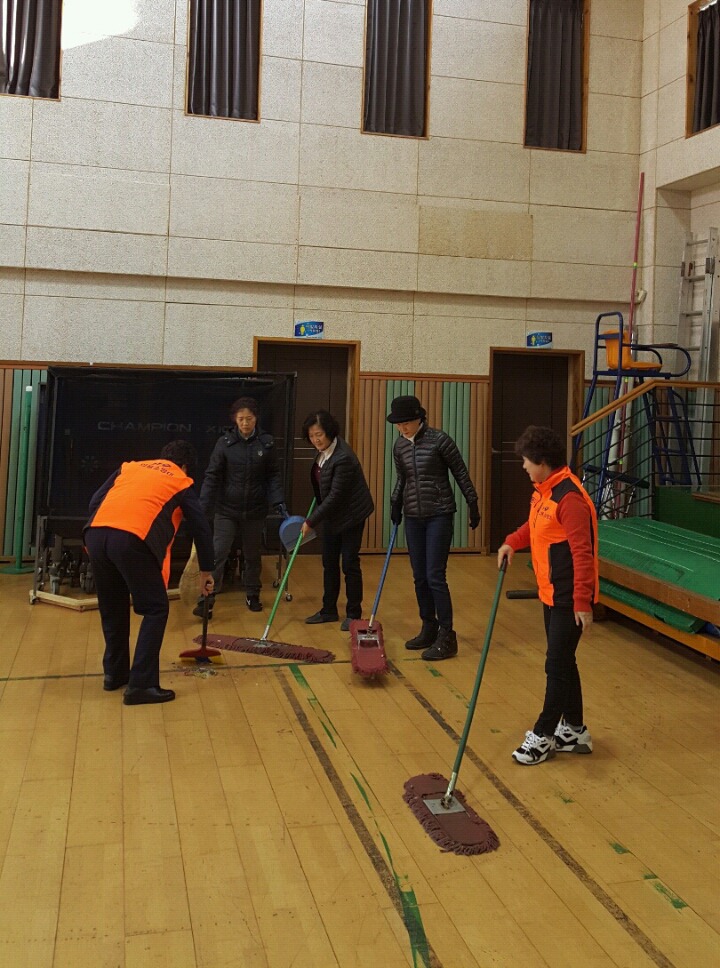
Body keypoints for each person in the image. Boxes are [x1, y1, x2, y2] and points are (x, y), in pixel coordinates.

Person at [84, 440, 215, 706]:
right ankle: (141, 686)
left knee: (113, 607)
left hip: (95, 534)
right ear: (185, 466)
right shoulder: (180, 480)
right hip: (132, 539)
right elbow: (200, 527)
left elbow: (94, 501)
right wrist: (206, 570)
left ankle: (114, 675)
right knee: (156, 609)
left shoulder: (130, 467)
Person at [497, 425, 598, 765]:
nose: (523, 466)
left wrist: (583, 602)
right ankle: (575, 730)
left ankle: (543, 735)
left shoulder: (569, 499)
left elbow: (583, 553)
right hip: (551, 592)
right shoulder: (544, 491)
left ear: (542, 462)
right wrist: (512, 542)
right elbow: (535, 527)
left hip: (569, 597)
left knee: (555, 664)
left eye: (527, 460)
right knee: (563, 660)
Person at [388, 395, 480, 661]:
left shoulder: (440, 440)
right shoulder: (399, 446)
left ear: (419, 418)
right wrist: (395, 503)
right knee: (419, 576)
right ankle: (429, 627)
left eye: (406, 423)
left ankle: (447, 635)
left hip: (439, 513)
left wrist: (472, 502)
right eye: (398, 424)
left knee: (434, 575)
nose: (402, 428)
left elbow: (460, 472)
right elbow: (402, 478)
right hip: (413, 517)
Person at [195, 396, 285, 619]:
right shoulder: (224, 443)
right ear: (234, 419)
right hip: (226, 509)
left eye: (249, 418)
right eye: (241, 419)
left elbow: (273, 475)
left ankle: (253, 594)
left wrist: (278, 501)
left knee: (252, 555)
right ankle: (206, 599)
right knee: (217, 554)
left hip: (255, 510)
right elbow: (212, 475)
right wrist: (202, 506)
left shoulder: (266, 443)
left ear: (256, 419)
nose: (245, 423)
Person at [301, 410, 374, 631]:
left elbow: (335, 496)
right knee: (329, 561)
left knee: (349, 563)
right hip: (332, 514)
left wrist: (311, 521)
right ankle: (328, 610)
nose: (315, 440)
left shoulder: (343, 457)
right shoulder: (322, 452)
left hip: (351, 515)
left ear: (330, 432)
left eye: (319, 434)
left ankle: (354, 614)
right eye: (311, 436)